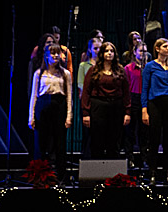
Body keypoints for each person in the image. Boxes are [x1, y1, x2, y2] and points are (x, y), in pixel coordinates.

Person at [28, 44, 73, 184]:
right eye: (52, 53)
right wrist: (31, 116)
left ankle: (61, 178)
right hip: (43, 106)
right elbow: (34, 95)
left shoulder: (65, 73)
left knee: (60, 144)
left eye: (57, 53)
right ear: (46, 55)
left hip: (59, 106)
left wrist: (69, 115)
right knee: (41, 144)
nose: (55, 56)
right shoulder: (39, 73)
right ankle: (40, 177)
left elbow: (69, 96)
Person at [141, 39, 168, 186]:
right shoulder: (150, 66)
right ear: (157, 49)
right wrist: (144, 109)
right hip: (155, 103)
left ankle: (167, 173)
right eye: (165, 46)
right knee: (154, 138)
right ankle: (152, 172)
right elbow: (145, 88)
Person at [81, 42, 131, 160]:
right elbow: (86, 92)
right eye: (106, 51)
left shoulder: (120, 70)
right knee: (97, 141)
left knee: (114, 142)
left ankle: (112, 175)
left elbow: (126, 92)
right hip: (98, 107)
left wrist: (127, 112)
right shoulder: (93, 71)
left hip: (116, 108)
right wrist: (86, 113)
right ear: (102, 53)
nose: (109, 53)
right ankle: (97, 175)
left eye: (112, 51)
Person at [77, 35, 102, 159]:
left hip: (101, 102)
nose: (98, 51)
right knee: (87, 132)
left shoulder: (104, 66)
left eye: (100, 48)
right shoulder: (84, 65)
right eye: (95, 48)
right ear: (90, 49)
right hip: (88, 101)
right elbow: (81, 84)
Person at [123, 41, 147, 168]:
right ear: (134, 52)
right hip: (132, 99)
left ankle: (144, 158)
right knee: (130, 132)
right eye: (141, 51)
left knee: (144, 133)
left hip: (145, 100)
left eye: (145, 51)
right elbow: (125, 88)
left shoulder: (148, 67)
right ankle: (129, 158)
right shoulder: (128, 68)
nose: (143, 54)